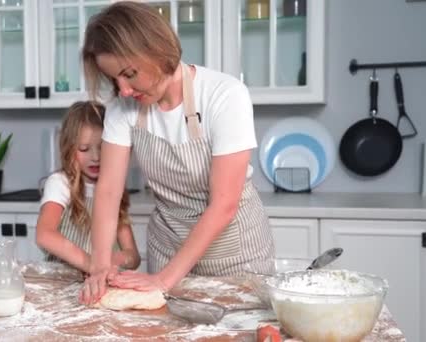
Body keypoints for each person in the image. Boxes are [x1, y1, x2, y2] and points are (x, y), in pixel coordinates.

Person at [79, 1, 275, 304]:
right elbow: (107, 191)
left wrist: (163, 280)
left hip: (234, 256)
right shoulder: (122, 108)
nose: (125, 90)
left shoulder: (224, 95)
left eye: (129, 73)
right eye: (114, 80)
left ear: (157, 51)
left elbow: (224, 203)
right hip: (168, 247)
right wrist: (101, 265)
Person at [36, 101, 141, 273]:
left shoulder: (113, 188)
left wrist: (117, 259)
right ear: (68, 149)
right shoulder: (60, 183)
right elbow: (44, 235)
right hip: (62, 282)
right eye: (84, 149)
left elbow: (133, 256)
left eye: (103, 148)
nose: (95, 157)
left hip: (99, 282)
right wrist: (93, 265)